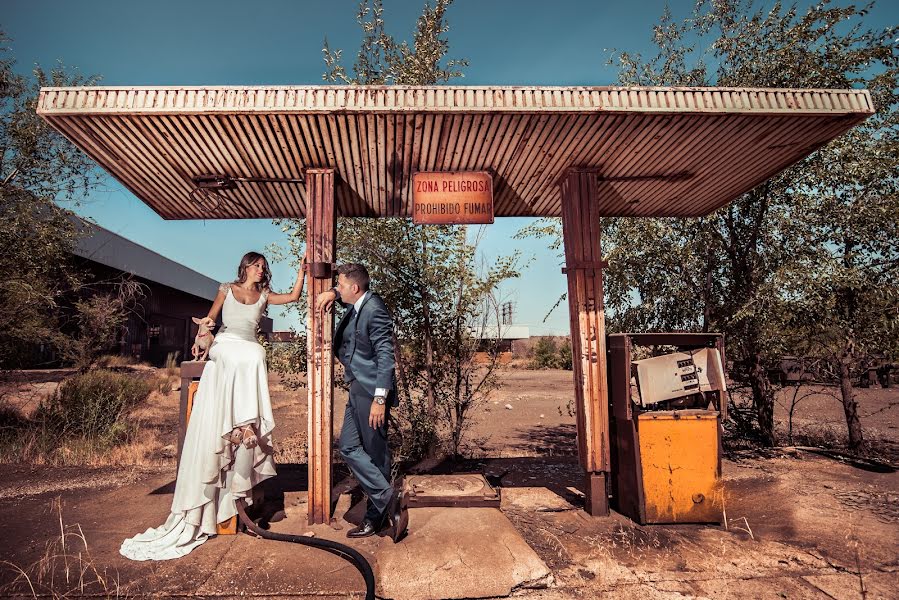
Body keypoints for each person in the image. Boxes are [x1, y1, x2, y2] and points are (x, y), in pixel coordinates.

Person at [120, 251, 306, 561]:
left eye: (264, 266)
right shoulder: (226, 289)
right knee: (237, 354)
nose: (261, 270)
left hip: (249, 350)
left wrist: (300, 272)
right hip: (227, 345)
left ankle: (245, 425)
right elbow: (209, 321)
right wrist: (202, 338)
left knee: (256, 354)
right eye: (256, 265)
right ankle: (236, 424)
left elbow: (294, 296)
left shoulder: (264, 295)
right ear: (245, 266)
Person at [316, 263, 408, 541]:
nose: (338, 290)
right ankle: (387, 498)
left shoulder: (374, 309)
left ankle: (375, 518)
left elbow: (385, 356)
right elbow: (347, 292)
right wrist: (333, 292)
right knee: (348, 446)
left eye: (341, 286)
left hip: (371, 393)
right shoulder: (357, 304)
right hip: (358, 387)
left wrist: (381, 398)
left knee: (376, 453)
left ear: (354, 288)